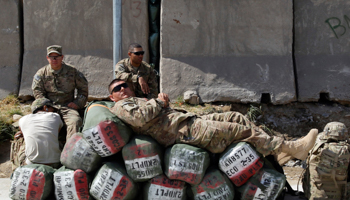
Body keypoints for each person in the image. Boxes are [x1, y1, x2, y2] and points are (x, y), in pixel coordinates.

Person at [108, 79, 318, 162]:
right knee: (238, 130)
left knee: (236, 116)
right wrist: (159, 103)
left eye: (125, 86)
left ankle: (275, 151)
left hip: (188, 120)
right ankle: (290, 147)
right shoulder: (121, 106)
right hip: (181, 131)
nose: (123, 90)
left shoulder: (137, 99)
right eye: (117, 89)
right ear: (112, 97)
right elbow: (139, 118)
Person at [32, 45, 88, 139]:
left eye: (56, 57)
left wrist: (77, 103)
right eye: (51, 57)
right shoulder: (41, 73)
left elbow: (83, 88)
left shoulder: (72, 71)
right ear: (47, 58)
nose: (54, 59)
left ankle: (70, 150)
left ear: (62, 57)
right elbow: (37, 91)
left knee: (75, 122)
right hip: (48, 107)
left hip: (67, 107)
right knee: (40, 124)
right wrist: (45, 105)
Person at [10, 98, 63, 170]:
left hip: (32, 163)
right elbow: (57, 131)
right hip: (55, 162)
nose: (54, 111)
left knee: (19, 138)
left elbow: (22, 131)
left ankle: (16, 169)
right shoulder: (55, 116)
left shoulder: (23, 119)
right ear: (45, 107)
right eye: (52, 109)